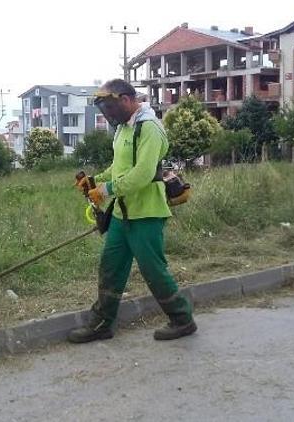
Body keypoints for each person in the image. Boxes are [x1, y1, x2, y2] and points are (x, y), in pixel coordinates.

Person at [68, 79, 197, 343]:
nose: (109, 114)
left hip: (147, 213)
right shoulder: (123, 129)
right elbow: (119, 169)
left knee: (153, 270)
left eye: (111, 108)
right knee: (110, 267)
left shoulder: (149, 128)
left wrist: (105, 191)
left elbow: (142, 174)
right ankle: (102, 323)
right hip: (121, 214)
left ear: (126, 100)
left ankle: (182, 319)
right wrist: (95, 180)